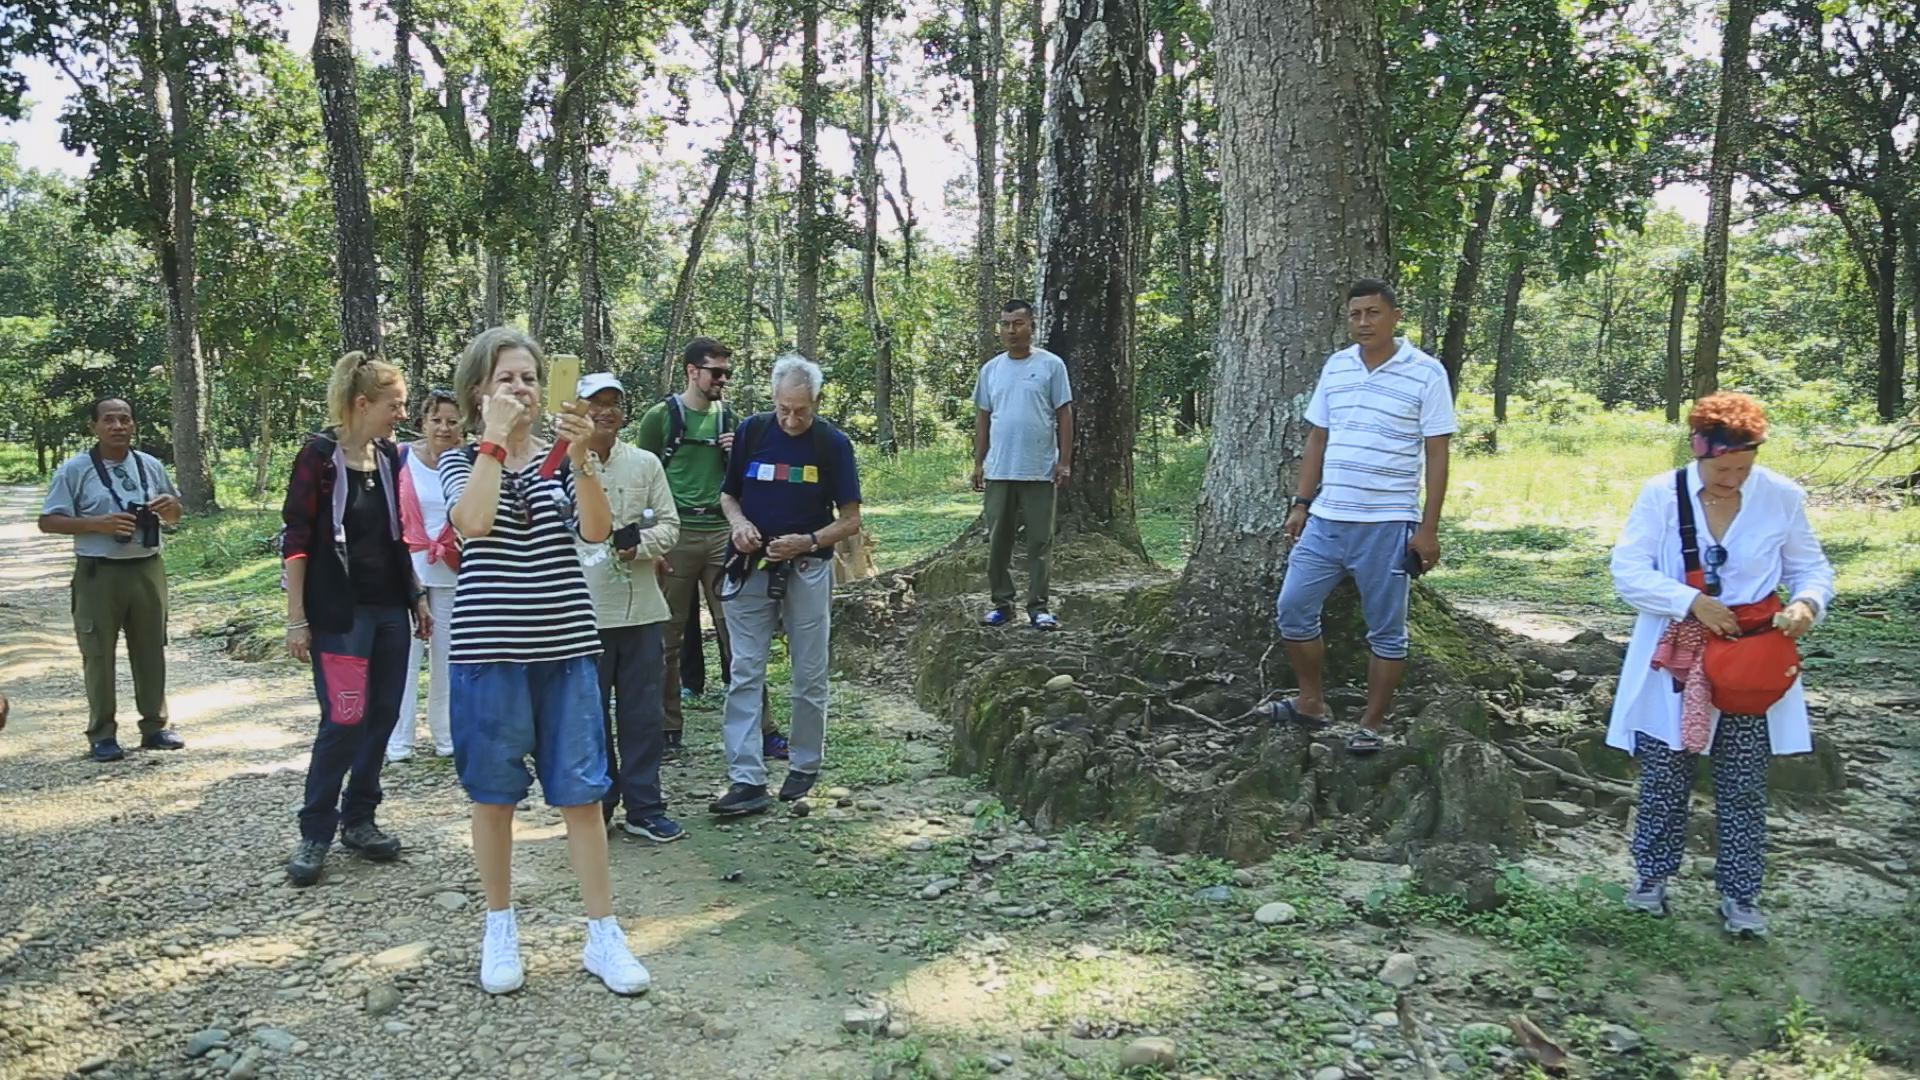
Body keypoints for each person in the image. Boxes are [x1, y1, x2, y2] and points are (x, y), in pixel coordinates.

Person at [441, 327, 650, 996]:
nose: (521, 389)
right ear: (479, 391)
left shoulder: (562, 458)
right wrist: (494, 442)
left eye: (529, 378)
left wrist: (581, 456)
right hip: (488, 652)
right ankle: (499, 929)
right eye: (506, 378)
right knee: (493, 797)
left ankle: (603, 936)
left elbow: (595, 531)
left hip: (566, 649)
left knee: (583, 795)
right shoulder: (461, 459)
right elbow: (473, 523)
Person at [1607, 392, 1833, 938]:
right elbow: (1628, 570)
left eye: (1742, 468)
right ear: (1698, 450)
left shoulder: (1780, 497)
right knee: (1665, 771)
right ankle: (1650, 878)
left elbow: (1811, 567)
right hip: (1677, 657)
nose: (1732, 479)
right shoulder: (1662, 495)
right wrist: (1689, 601)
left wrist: (1807, 603)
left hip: (1749, 660)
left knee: (1743, 779)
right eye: (1722, 468)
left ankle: (1740, 893)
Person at [1264, 279, 1455, 755]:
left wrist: (1428, 529)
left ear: (1394, 316)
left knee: (1386, 629)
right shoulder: (1338, 366)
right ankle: (1310, 702)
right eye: (1355, 314)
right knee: (1293, 608)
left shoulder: (1426, 373)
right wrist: (1302, 503)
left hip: (1388, 522)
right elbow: (1318, 439)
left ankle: (1372, 722)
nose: (1364, 322)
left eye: (1373, 312)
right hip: (1327, 518)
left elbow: (1437, 452)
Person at [281, 353, 434, 887]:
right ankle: (315, 830)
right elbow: (296, 539)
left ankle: (360, 818)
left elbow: (397, 534)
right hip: (340, 614)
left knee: (383, 716)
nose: (403, 414)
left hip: (389, 609)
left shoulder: (389, 456)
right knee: (344, 720)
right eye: (396, 405)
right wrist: (296, 618)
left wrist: (415, 596)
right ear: (362, 403)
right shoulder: (318, 458)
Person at [709, 353, 863, 815]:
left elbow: (850, 520)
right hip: (749, 566)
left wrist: (808, 541)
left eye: (801, 410)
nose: (792, 420)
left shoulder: (832, 444)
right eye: (784, 409)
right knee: (745, 670)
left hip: (808, 568)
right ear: (772, 399)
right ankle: (745, 778)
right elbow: (728, 495)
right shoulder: (753, 432)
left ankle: (804, 763)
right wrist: (739, 525)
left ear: (816, 401)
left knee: (809, 672)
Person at [635, 337, 784, 761]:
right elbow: (642, 479)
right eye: (716, 372)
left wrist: (739, 455)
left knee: (739, 636)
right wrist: (651, 540)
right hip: (676, 534)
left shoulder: (733, 420)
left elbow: (751, 480)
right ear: (691, 371)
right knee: (666, 639)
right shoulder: (660, 418)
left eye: (727, 373)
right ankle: (666, 730)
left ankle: (762, 729)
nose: (723, 380)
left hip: (723, 533)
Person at [38, 397, 186, 762]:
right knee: (98, 653)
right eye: (109, 420)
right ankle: (102, 734)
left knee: (151, 648)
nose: (118, 426)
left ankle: (155, 726)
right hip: (98, 571)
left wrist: (171, 509)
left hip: (147, 567)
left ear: (133, 424)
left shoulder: (149, 465)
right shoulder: (75, 470)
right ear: (94, 426)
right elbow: (48, 521)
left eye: (125, 419)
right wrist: (97, 524)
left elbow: (175, 514)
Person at [575, 371, 685, 842]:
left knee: (642, 715)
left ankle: (645, 806)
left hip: (641, 610)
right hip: (582, 612)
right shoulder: (560, 465)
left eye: (613, 403)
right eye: (595, 403)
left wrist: (638, 546)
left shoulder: (644, 463)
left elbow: (670, 525)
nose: (605, 412)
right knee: (589, 715)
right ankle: (597, 803)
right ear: (577, 409)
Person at [970, 300, 1073, 630]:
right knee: (998, 540)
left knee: (1040, 541)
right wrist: (978, 462)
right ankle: (1002, 603)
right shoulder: (991, 370)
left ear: (1032, 326)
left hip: (1039, 469)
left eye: (1017, 323)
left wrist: (1064, 461)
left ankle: (1038, 606)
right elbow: (983, 418)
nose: (1011, 330)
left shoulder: (1051, 365)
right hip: (1000, 469)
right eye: (1005, 324)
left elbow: (1064, 413)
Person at [387, 388, 464, 762]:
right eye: (436, 420)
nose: (444, 428)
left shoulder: (469, 462)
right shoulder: (400, 457)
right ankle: (398, 739)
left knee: (447, 657)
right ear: (423, 422)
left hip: (453, 568)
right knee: (404, 655)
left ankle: (445, 734)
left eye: (452, 421)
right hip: (409, 568)